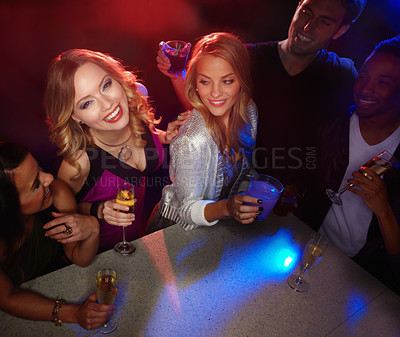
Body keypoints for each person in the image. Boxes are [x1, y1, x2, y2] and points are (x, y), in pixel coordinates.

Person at [156, 0, 367, 213]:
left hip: (292, 206)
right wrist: (177, 76)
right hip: (229, 199)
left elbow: (337, 146)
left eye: (324, 22)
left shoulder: (342, 75)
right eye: (306, 12)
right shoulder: (248, 58)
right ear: (297, 7)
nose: (307, 27)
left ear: (341, 30)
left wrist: (301, 190)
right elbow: (207, 113)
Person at [45, 49, 188, 252]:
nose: (107, 104)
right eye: (87, 103)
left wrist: (164, 136)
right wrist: (98, 210)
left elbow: (147, 130)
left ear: (116, 79)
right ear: (75, 116)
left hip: (139, 243)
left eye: (106, 85)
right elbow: (57, 215)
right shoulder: (78, 162)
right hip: (98, 259)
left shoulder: (136, 103)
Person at [302, 36, 400, 294]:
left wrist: (384, 210)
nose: (366, 88)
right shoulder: (333, 122)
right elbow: (304, 179)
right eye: (364, 76)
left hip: (359, 274)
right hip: (309, 245)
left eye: (382, 82)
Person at [148, 32, 260, 233]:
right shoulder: (192, 139)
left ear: (242, 80)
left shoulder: (249, 111)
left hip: (215, 226)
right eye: (205, 81)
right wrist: (227, 207)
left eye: (227, 81)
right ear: (195, 84)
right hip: (173, 230)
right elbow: (185, 209)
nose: (215, 93)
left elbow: (246, 170)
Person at [0, 141, 110, 329]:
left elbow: (78, 257)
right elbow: (6, 297)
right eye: (36, 184)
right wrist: (73, 314)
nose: (49, 178)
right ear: (8, 208)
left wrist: (93, 228)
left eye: (40, 169)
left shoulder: (57, 194)